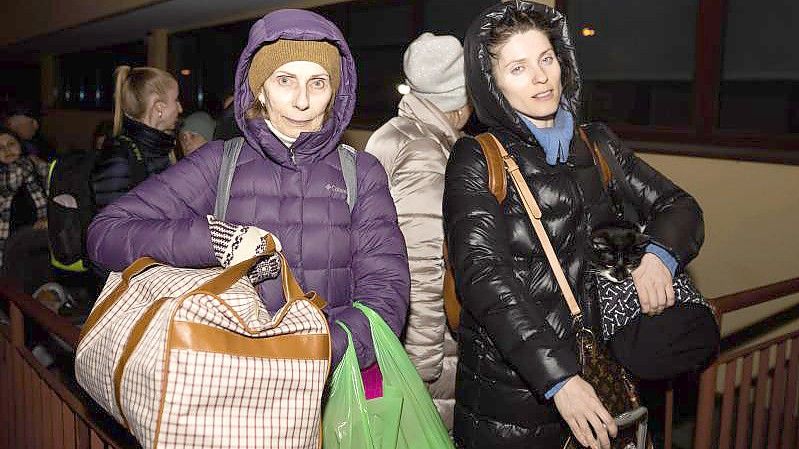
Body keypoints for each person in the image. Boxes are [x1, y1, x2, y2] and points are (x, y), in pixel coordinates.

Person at [87, 9, 409, 375]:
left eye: (318, 83)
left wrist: (317, 351)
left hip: (331, 383)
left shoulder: (361, 172)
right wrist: (213, 240)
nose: (302, 101)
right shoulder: (217, 163)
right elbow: (106, 232)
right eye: (285, 80)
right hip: (231, 384)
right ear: (259, 88)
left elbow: (386, 293)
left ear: (335, 91)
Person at [443, 2, 707, 448]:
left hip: (603, 367)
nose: (541, 77)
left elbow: (680, 206)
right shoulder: (476, 158)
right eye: (518, 68)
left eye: (546, 59)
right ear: (492, 84)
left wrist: (660, 258)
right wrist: (558, 379)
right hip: (512, 396)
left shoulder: (597, 143)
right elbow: (482, 277)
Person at [365, 32, 471, 431]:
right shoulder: (427, 153)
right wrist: (422, 365)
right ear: (458, 102)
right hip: (425, 345)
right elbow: (423, 264)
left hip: (390, 328)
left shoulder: (396, 132)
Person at [90, 65, 182, 211]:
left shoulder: (164, 148)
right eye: (176, 100)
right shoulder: (118, 156)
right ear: (159, 108)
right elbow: (114, 228)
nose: (180, 108)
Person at [0, 127, 47, 273]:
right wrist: (30, 162)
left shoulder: (35, 167)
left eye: (11, 144)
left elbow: (53, 184)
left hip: (40, 230)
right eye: (0, 148)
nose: (7, 150)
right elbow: (11, 182)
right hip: (10, 236)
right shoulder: (6, 174)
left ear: (20, 144)